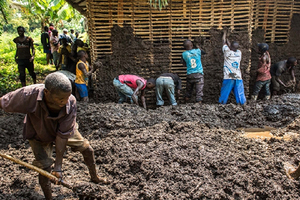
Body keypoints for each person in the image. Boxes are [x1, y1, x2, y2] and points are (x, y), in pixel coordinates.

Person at [0, 72, 108, 200]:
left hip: (65, 131)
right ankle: (49, 198)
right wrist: (53, 167)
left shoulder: (70, 102)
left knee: (87, 149)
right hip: (38, 132)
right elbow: (3, 103)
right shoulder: (28, 95)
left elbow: (62, 136)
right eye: (61, 99)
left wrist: (58, 167)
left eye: (67, 97)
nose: (65, 101)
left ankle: (95, 177)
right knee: (44, 167)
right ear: (46, 93)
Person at [219, 29, 246, 105]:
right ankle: (242, 106)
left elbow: (223, 42)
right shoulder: (239, 53)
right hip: (238, 76)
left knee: (225, 93)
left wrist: (224, 34)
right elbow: (231, 46)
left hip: (229, 76)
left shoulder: (227, 52)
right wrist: (228, 40)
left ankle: (222, 104)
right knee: (240, 94)